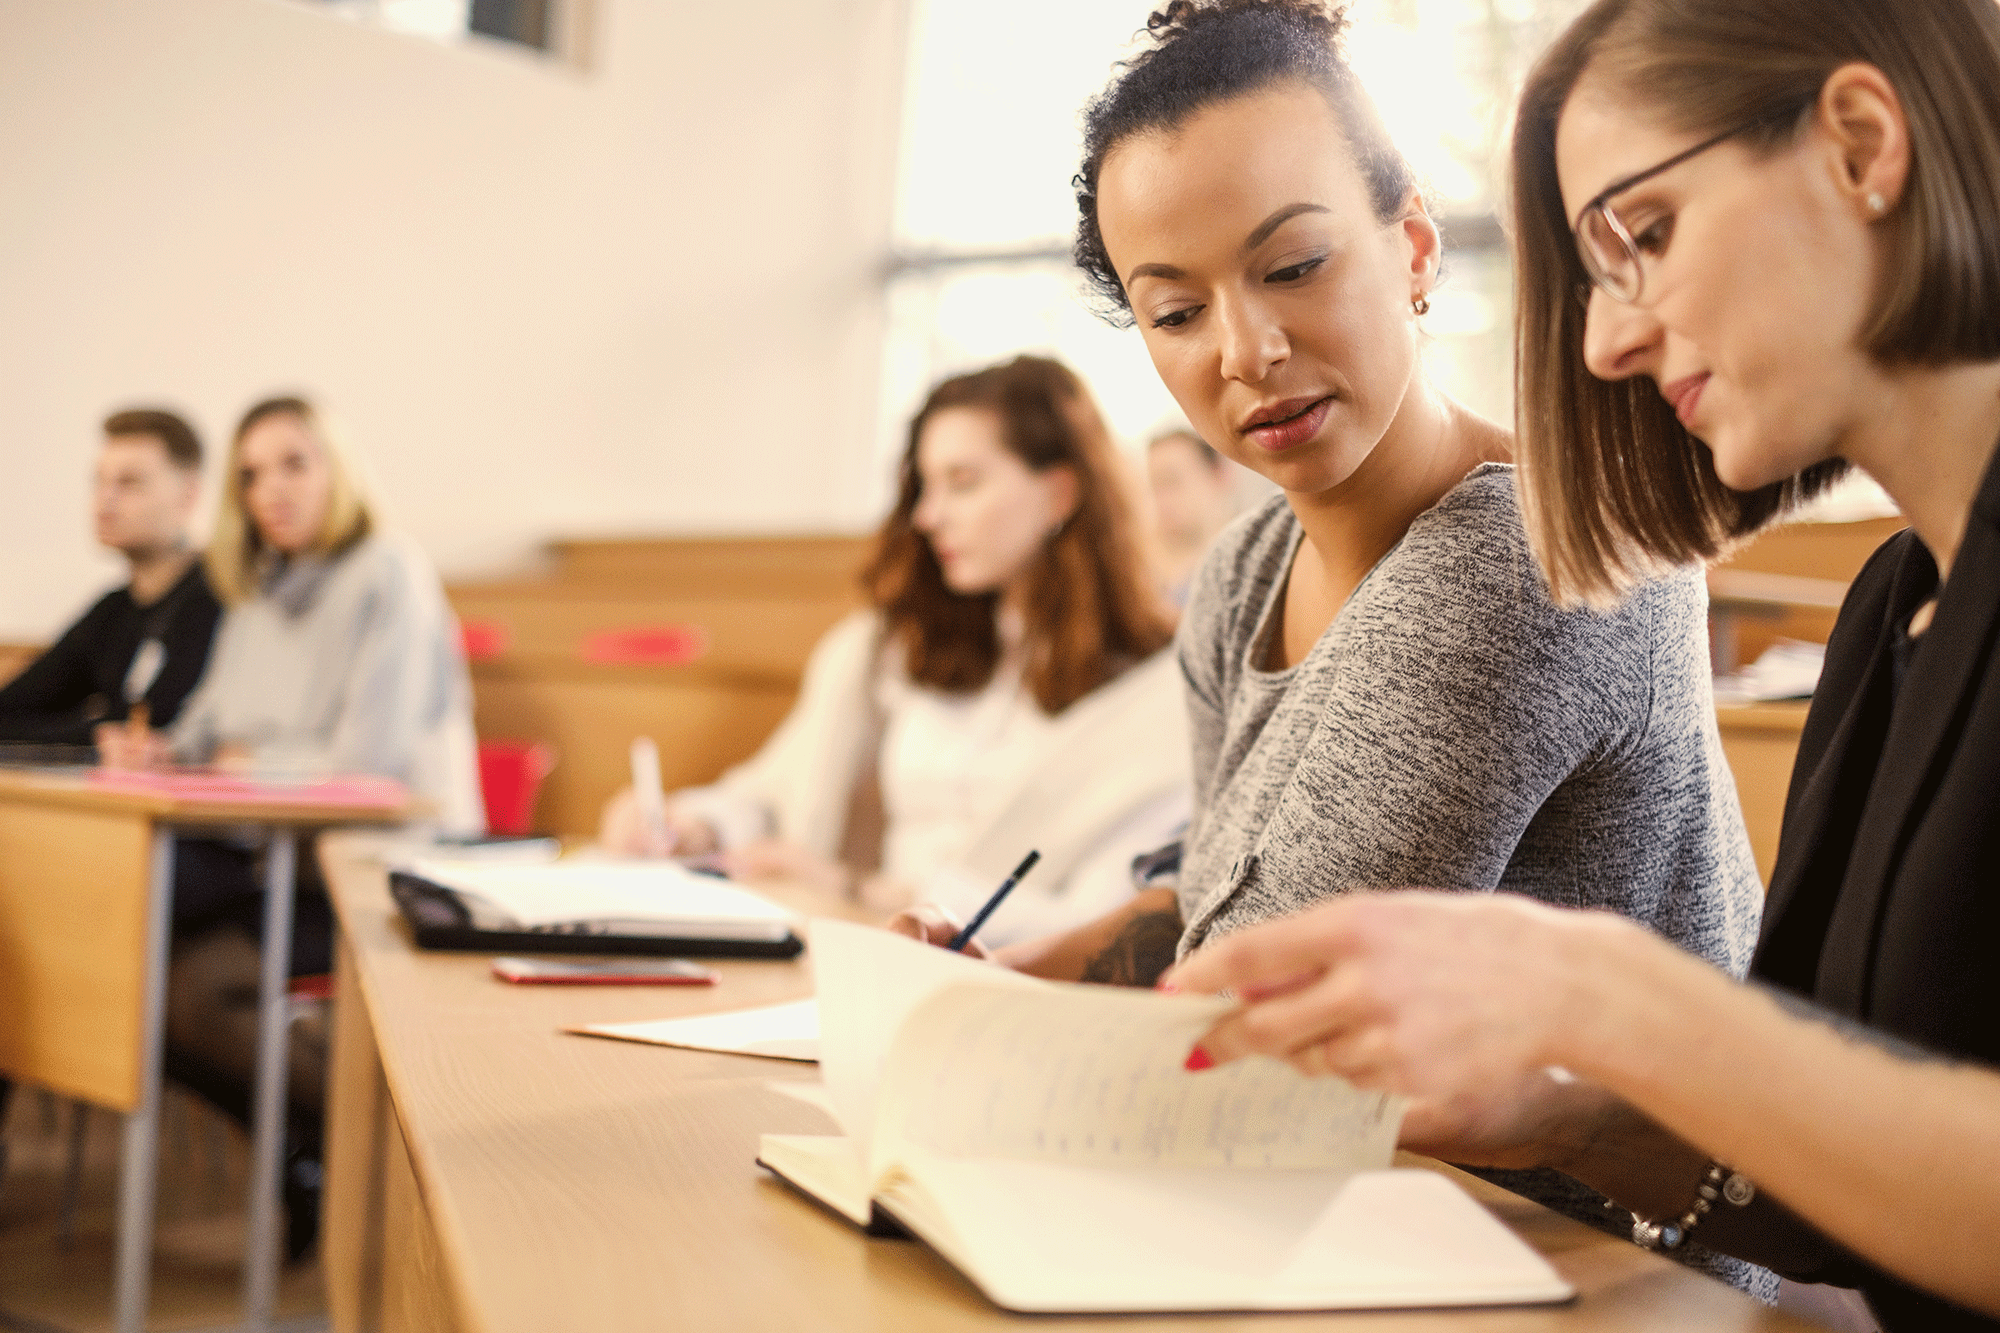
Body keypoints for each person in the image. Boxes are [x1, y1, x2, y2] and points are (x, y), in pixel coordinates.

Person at [890, 0, 1769, 1294]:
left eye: (1293, 266)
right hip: (1347, 1221)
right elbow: (1211, 894)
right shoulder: (1247, 569)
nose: (1247, 351)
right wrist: (993, 983)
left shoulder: (1534, 549)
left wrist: (1023, 1024)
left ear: (1412, 244)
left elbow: (1254, 1004)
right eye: (1175, 310)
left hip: (1601, 1268)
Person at [1165, 1, 2000, 1329]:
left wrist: (1614, 1000)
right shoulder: (1895, 614)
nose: (1606, 343)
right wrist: (1569, 1116)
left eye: (1647, 236)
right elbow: (1836, 1195)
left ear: (1860, 143)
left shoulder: (1513, 559)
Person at [601, 355, 1187, 944]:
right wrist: (692, 826)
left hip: (1007, 976)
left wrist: (860, 887)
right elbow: (779, 793)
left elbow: (1107, 917)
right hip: (863, 946)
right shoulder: (893, 651)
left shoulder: (1158, 690)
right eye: (923, 487)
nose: (928, 517)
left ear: (1059, 493)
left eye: (963, 483)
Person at [99, 394, 482, 1258]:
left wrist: (241, 760)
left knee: (190, 982)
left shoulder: (389, 570)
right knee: (146, 985)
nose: (271, 487)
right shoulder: (256, 585)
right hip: (285, 865)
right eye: (251, 473)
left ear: (336, 469)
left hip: (391, 874)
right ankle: (309, 1152)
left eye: (293, 463)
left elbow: (366, 762)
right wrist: (159, 750)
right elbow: (209, 722)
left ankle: (378, 1161)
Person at [0, 409, 221, 748]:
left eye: (129, 482)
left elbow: (161, 722)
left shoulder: (220, 597)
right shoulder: (113, 612)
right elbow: (10, 711)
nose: (106, 499)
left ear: (188, 495)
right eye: (100, 481)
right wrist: (94, 734)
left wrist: (98, 731)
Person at [1145, 427, 1243, 605]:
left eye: (1172, 481)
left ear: (1220, 474)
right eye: (1155, 487)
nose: (1162, 502)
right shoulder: (1159, 596)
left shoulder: (1250, 571)